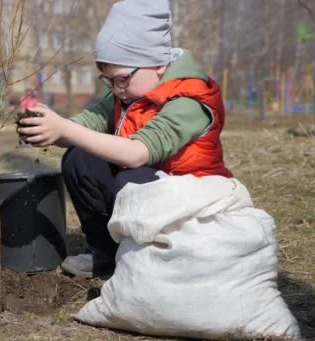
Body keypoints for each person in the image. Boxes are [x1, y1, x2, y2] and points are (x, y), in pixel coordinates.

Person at [17, 0, 233, 278]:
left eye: (121, 79)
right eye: (109, 81)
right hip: (154, 193)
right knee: (81, 158)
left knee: (131, 178)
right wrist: (51, 127)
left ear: (156, 64)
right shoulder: (129, 93)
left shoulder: (189, 99)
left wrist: (66, 130)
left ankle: (158, 263)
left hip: (195, 209)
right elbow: (86, 124)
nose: (117, 89)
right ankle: (108, 255)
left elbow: (137, 153)